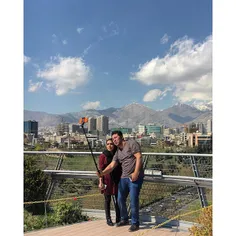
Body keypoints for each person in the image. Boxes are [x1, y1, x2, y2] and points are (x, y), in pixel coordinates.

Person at [97, 131, 144, 232]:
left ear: (121, 137)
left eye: (116, 137)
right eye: (112, 138)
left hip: (134, 177)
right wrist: (102, 173)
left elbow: (139, 157)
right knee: (120, 199)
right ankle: (124, 219)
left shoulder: (131, 143)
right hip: (124, 177)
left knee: (133, 200)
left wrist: (136, 173)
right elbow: (112, 165)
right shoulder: (118, 152)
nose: (114, 140)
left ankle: (135, 223)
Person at [98, 138, 122, 226]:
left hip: (117, 179)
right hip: (107, 180)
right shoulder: (103, 156)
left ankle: (118, 218)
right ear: (106, 145)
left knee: (118, 200)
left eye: (111, 144)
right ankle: (108, 219)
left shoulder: (118, 154)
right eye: (108, 144)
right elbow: (100, 170)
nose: (109, 145)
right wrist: (100, 182)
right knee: (107, 200)